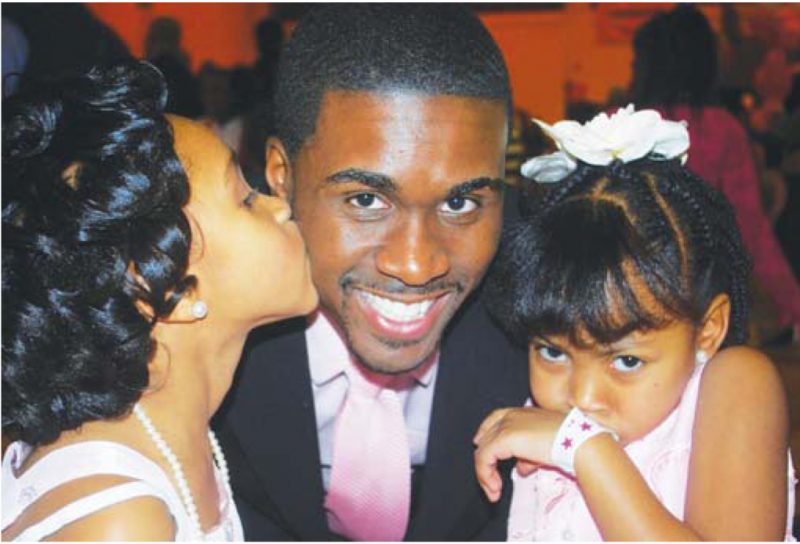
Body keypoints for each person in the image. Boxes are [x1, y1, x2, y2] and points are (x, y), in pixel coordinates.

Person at [213, 5, 529, 541]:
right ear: (282, 176)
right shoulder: (201, 321)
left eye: (459, 204)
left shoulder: (551, 314)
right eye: (365, 200)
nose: (416, 264)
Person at [2, 61, 317, 541]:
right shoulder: (120, 521)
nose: (280, 206)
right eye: (246, 198)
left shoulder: (170, 436)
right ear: (170, 290)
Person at [474, 106, 796, 540]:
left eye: (626, 361)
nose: (582, 398)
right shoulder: (538, 422)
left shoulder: (735, 384)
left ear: (708, 330)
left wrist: (585, 450)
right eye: (552, 352)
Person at [630, 5, 800, 343]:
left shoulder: (620, 126)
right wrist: (793, 307)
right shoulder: (723, 130)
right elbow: (751, 228)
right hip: (703, 301)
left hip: (633, 292)